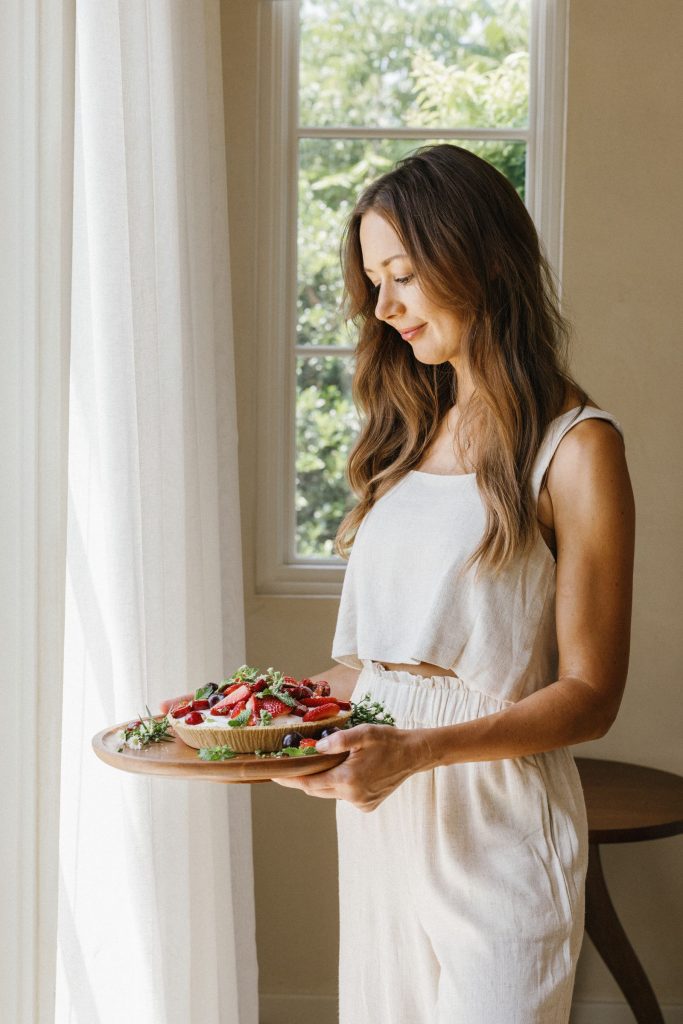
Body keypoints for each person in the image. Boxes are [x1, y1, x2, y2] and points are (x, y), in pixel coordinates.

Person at [271, 144, 635, 1023]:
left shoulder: (576, 448)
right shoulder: (406, 441)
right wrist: (251, 717)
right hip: (382, 819)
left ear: (478, 256)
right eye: (373, 279)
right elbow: (377, 673)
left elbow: (589, 696)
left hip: (495, 817)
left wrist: (417, 752)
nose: (385, 306)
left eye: (403, 273)